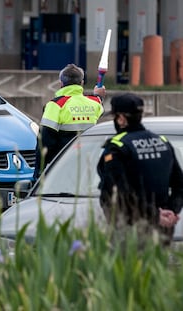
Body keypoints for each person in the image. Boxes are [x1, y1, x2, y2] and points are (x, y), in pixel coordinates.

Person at [97, 93, 183, 245]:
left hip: (129, 230)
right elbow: (179, 184)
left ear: (121, 119)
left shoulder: (117, 147)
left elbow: (121, 192)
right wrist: (171, 212)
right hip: (162, 231)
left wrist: (155, 215)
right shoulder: (162, 142)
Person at [34, 63, 106, 179]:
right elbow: (99, 106)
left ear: (61, 83)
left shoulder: (55, 105)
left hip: (62, 166)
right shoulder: (94, 103)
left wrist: (38, 173)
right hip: (88, 165)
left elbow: (45, 143)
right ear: (82, 83)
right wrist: (99, 96)